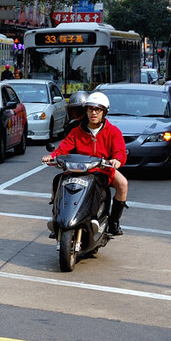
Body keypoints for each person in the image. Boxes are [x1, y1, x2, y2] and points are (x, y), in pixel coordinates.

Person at [42, 91, 129, 236]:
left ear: (104, 112)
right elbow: (63, 148)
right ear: (86, 111)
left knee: (122, 184)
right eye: (90, 109)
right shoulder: (76, 131)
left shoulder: (113, 131)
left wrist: (117, 160)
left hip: (102, 170)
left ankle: (112, 222)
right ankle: (57, 219)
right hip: (78, 168)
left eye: (97, 110)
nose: (93, 113)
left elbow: (120, 151)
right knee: (57, 181)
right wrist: (51, 156)